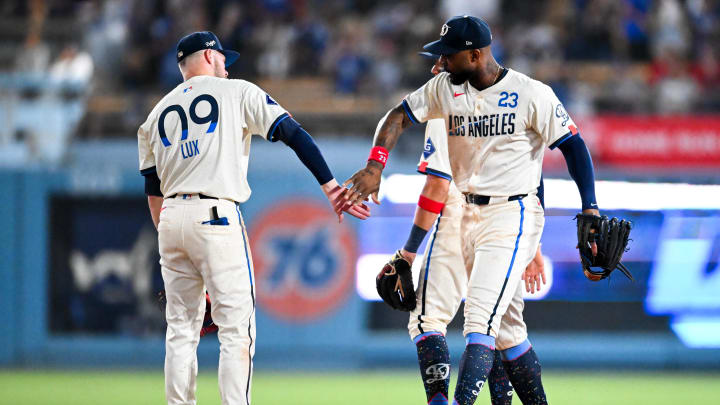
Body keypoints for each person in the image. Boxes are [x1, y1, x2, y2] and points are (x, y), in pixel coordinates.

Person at [344, 16, 599, 405]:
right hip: (463, 211)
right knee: (509, 329)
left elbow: (573, 147)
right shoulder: (445, 89)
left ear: (476, 54)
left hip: (511, 214)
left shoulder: (531, 93)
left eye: (448, 56)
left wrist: (591, 209)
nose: (439, 63)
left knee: (480, 320)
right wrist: (376, 163)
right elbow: (397, 115)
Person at [137, 31, 369, 405]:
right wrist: (329, 186)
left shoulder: (155, 114)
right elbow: (293, 133)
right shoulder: (235, 91)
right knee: (236, 330)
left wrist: (173, 238)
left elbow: (153, 192)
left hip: (170, 219)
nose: (227, 65)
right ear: (210, 57)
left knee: (181, 329)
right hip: (215, 215)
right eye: (223, 58)